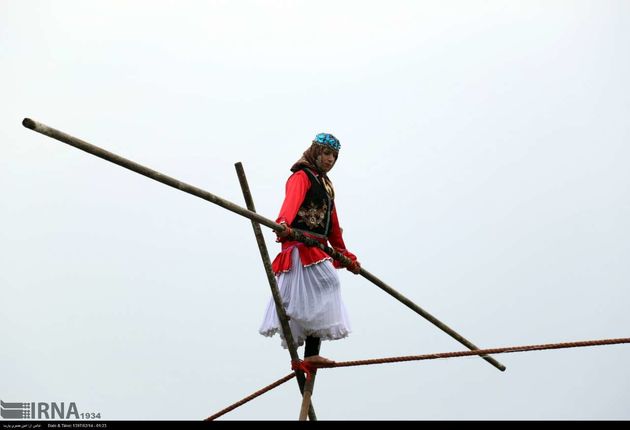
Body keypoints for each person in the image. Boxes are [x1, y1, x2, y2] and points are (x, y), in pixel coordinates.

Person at [259, 133, 361, 366]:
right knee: (327, 285)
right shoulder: (301, 176)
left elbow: (332, 224)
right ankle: (304, 355)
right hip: (300, 247)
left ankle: (309, 357)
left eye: (334, 156)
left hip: (317, 249)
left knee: (315, 298)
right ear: (315, 152)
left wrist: (344, 255)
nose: (330, 160)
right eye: (326, 154)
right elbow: (291, 202)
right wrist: (283, 224)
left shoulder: (326, 185)